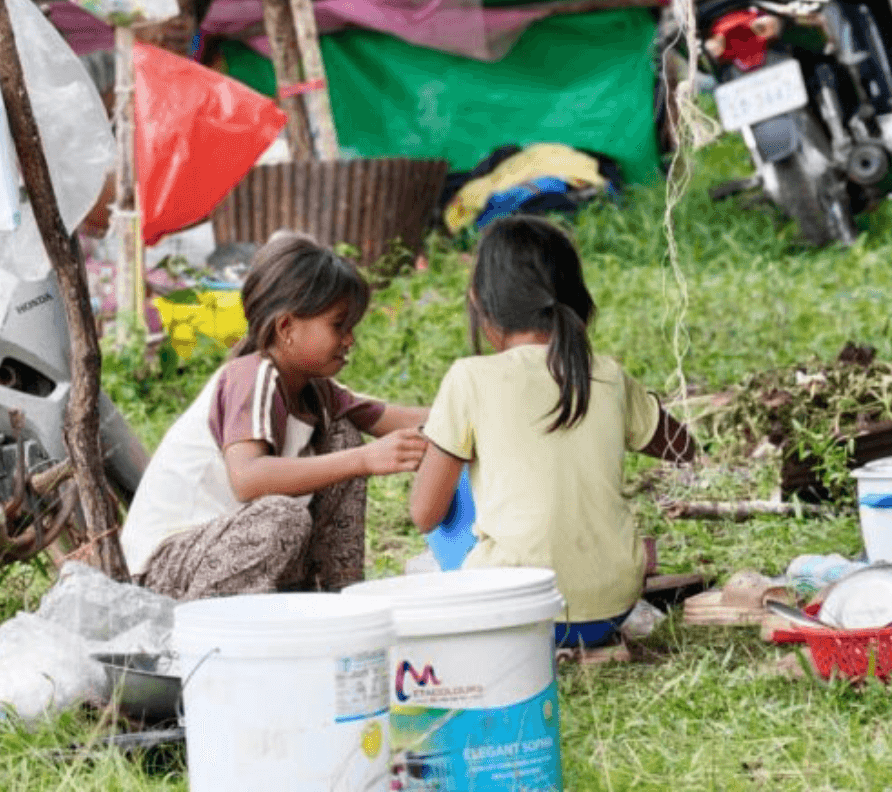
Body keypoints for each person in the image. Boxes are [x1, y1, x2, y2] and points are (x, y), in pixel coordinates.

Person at [409, 215, 696, 649]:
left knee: (459, 479)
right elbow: (684, 446)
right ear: (575, 300)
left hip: (518, 613)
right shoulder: (608, 375)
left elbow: (424, 514)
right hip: (611, 604)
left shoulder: (469, 377)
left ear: (478, 301)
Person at [123, 232, 429, 601]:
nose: (349, 340)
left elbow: (399, 418)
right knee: (285, 515)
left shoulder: (314, 389)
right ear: (287, 328)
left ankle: (337, 596)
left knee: (344, 433)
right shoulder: (251, 376)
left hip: (233, 550)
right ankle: (211, 633)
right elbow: (247, 479)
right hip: (167, 570)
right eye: (338, 326)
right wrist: (364, 459)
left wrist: (478, 404)